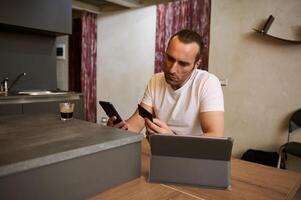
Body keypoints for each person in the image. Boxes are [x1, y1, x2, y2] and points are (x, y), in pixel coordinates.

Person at [108, 29, 224, 137]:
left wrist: (172, 141)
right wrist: (118, 130)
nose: (172, 69)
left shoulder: (207, 83)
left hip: (194, 157)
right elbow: (136, 124)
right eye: (170, 58)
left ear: (196, 64)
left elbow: (215, 136)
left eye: (183, 64)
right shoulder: (156, 80)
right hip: (160, 152)